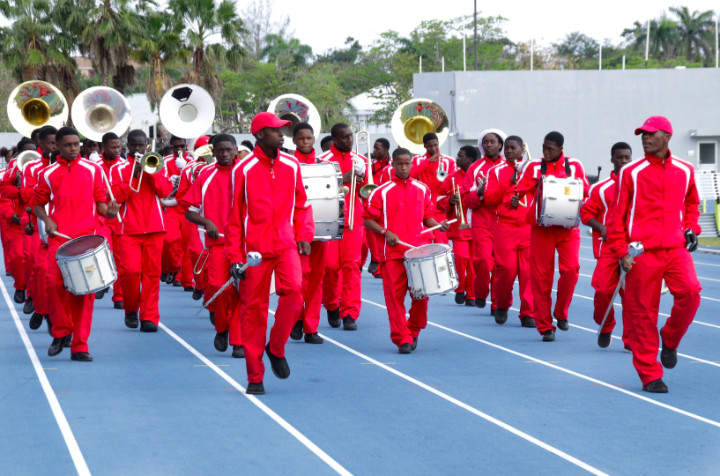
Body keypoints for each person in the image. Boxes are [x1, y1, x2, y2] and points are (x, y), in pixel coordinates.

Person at [609, 116, 701, 393]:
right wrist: (620, 251)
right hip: (641, 253)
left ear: (667, 137)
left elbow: (692, 204)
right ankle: (650, 374)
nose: (645, 138)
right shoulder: (631, 172)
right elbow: (616, 218)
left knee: (691, 292)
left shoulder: (684, 170)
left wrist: (691, 228)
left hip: (675, 249)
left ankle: (670, 338)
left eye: (651, 133)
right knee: (641, 313)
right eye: (642, 134)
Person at [225, 112, 313, 395]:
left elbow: (301, 203)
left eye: (282, 130)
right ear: (260, 135)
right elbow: (235, 217)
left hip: (286, 244)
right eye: (276, 131)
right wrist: (234, 256)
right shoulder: (243, 169)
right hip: (255, 251)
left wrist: (304, 235)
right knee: (254, 312)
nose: (282, 135)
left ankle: (276, 347)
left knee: (295, 293)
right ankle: (255, 376)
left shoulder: (292, 164)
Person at [34, 127, 119, 361]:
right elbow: (38, 204)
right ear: (58, 146)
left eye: (76, 145)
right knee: (52, 285)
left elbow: (101, 205)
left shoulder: (93, 170)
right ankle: (61, 332)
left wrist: (110, 214)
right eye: (68, 145)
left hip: (86, 242)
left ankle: (80, 345)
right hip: (58, 241)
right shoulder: (48, 174)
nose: (73, 149)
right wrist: (47, 219)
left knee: (84, 295)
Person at [364, 148, 449, 353]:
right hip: (393, 253)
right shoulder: (380, 192)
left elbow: (426, 216)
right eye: (400, 164)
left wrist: (438, 224)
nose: (404, 168)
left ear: (412, 164)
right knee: (394, 299)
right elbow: (368, 219)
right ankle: (402, 338)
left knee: (421, 296)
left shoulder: (422, 189)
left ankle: (414, 329)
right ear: (393, 164)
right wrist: (385, 232)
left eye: (407, 164)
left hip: (419, 252)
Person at [516, 131, 589, 342]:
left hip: (567, 228)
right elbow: (520, 188)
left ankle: (561, 312)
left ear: (560, 149)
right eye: (543, 148)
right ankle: (545, 326)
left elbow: (584, 189)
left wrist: (567, 187)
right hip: (542, 228)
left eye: (550, 149)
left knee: (571, 270)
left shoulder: (574, 165)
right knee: (541, 277)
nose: (546, 153)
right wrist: (522, 188)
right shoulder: (534, 166)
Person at [182, 134, 245, 357]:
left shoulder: (247, 172)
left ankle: (238, 341)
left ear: (236, 150)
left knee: (242, 292)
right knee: (220, 290)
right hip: (218, 245)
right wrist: (206, 221)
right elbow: (189, 210)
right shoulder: (205, 175)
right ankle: (222, 328)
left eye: (229, 150)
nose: (225, 154)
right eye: (220, 150)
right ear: (214, 152)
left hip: (245, 245)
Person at [110, 129, 174, 332]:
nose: (137, 149)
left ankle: (149, 317)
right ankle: (131, 308)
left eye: (141, 145)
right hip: (129, 228)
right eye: (133, 145)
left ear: (146, 145)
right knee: (129, 272)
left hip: (155, 227)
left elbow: (165, 192)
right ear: (127, 145)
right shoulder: (119, 169)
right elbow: (116, 197)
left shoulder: (156, 164)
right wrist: (135, 175)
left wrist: (152, 174)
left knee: (152, 275)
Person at [579, 142, 632, 348]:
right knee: (602, 291)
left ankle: (630, 339)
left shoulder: (640, 184)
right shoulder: (600, 189)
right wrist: (601, 227)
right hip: (608, 248)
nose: (624, 161)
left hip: (633, 247)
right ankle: (606, 325)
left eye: (627, 157)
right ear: (612, 159)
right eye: (619, 157)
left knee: (632, 296)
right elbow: (585, 214)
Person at [318, 123, 366, 331]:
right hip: (330, 220)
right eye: (345, 137)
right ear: (335, 139)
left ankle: (350, 313)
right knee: (329, 268)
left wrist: (363, 177)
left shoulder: (361, 160)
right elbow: (319, 190)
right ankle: (331, 304)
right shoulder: (323, 160)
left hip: (354, 221)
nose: (349, 140)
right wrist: (341, 180)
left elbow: (366, 191)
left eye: (351, 137)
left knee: (352, 267)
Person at [483, 136, 535, 327]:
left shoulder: (532, 169)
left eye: (514, 148)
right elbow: (489, 199)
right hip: (504, 227)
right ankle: (502, 304)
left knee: (528, 272)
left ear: (523, 149)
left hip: (528, 227)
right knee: (506, 270)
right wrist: (509, 184)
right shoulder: (495, 171)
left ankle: (528, 312)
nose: (509, 151)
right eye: (507, 148)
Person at [289, 122, 326, 344]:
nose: (305, 142)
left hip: (322, 230)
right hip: (295, 230)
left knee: (316, 281)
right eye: (301, 139)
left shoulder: (324, 165)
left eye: (309, 138)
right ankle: (296, 318)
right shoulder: (287, 164)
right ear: (294, 140)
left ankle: (311, 327)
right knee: (297, 280)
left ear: (314, 139)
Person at [462, 129, 506, 314]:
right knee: (482, 261)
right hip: (481, 221)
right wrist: (479, 192)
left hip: (503, 222)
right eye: (485, 142)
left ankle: (497, 304)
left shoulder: (510, 167)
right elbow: (466, 199)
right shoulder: (475, 168)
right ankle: (480, 292)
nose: (489, 145)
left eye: (492, 141)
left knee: (501, 266)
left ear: (500, 145)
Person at [437, 145, 477, 307]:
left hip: (477, 226)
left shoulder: (479, 176)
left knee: (475, 263)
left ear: (470, 160)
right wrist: (449, 201)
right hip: (459, 227)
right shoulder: (451, 178)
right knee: (461, 259)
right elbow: (439, 201)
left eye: (460, 156)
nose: (457, 159)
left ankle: (472, 295)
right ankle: (460, 288)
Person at [96, 132, 126, 308]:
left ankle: (119, 296)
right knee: (103, 253)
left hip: (120, 218)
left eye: (118, 147)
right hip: (101, 217)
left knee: (121, 259)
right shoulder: (95, 166)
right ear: (103, 147)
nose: (116, 151)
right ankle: (101, 282)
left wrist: (116, 191)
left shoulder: (124, 166)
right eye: (112, 147)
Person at [410, 132, 456, 245]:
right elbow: (410, 175)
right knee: (424, 242)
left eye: (435, 145)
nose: (434, 148)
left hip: (440, 207)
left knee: (441, 242)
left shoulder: (449, 161)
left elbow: (453, 183)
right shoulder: (417, 160)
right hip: (422, 207)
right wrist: (428, 162)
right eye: (430, 146)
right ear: (425, 146)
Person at [161, 135, 193, 287]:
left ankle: (186, 280)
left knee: (187, 245)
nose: (179, 149)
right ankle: (175, 268)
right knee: (170, 240)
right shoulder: (165, 161)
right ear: (171, 147)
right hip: (172, 206)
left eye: (182, 146)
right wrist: (170, 179)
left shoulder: (193, 161)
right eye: (176, 147)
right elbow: (160, 181)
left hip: (187, 207)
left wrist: (185, 169)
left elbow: (197, 182)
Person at [363, 137, 392, 278]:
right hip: (370, 201)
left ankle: (380, 265)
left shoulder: (392, 165)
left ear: (385, 150)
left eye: (377, 148)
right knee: (370, 235)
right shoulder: (369, 164)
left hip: (385, 203)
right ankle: (375, 260)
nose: (374, 151)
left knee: (382, 235)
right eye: (373, 148)